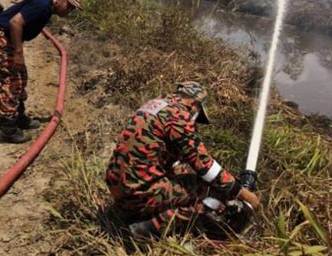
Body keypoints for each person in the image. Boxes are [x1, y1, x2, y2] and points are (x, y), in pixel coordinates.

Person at [106, 81, 260, 237]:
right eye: (198, 112)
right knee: (209, 191)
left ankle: (136, 212)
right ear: (194, 104)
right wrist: (244, 194)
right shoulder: (180, 116)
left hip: (119, 186)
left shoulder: (154, 105)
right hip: (138, 193)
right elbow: (205, 167)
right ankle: (146, 229)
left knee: (184, 171)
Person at [0, 0, 82, 143]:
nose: (70, 11)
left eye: (73, 9)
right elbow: (15, 23)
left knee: (21, 76)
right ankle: (8, 130)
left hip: (1, 38)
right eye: (69, 6)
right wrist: (18, 53)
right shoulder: (42, 4)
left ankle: (19, 116)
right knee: (10, 81)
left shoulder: (46, 9)